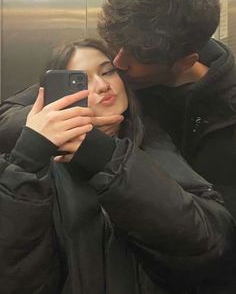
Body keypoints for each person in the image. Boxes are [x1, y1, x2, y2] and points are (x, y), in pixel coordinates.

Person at [0, 38, 236, 294]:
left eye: (107, 71)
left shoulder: (156, 141)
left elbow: (211, 242)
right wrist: (27, 161)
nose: (102, 86)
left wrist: (106, 156)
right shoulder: (35, 165)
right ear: (59, 97)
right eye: (81, 81)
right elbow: (17, 274)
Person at [98, 0, 236, 219]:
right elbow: (16, 110)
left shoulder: (228, 115)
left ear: (184, 62)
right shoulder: (116, 71)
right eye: (119, 45)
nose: (118, 62)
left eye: (137, 57)